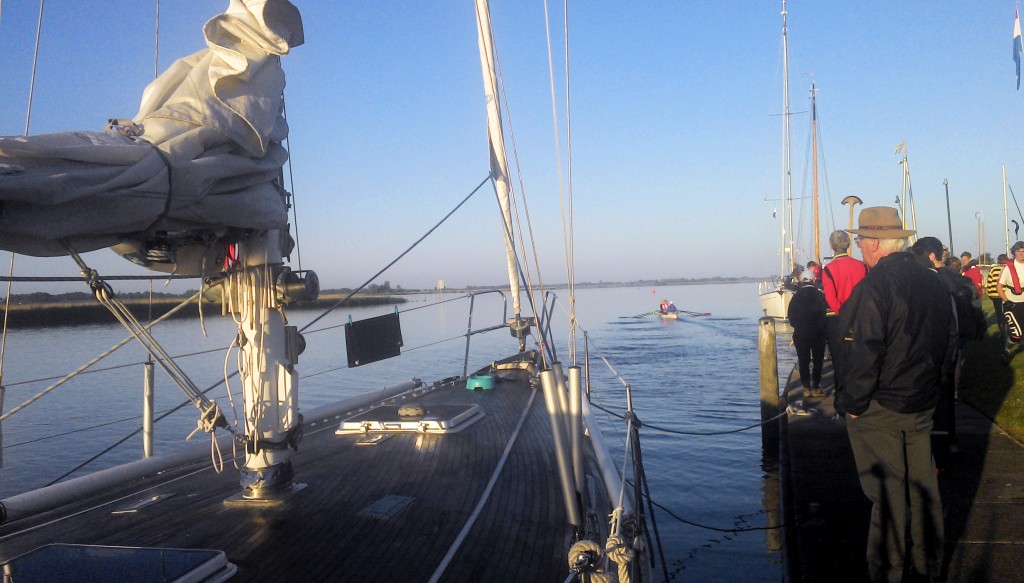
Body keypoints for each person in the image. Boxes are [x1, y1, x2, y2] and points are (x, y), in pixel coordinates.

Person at [837, 207, 955, 583]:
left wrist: (853, 405)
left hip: (881, 406)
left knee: (888, 493)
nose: (858, 246)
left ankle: (888, 571)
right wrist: (935, 386)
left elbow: (862, 352)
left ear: (872, 243)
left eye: (859, 240)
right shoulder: (934, 282)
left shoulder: (874, 287)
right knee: (923, 488)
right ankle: (929, 564)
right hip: (921, 401)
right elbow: (949, 341)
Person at [821, 230, 868, 397]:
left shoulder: (829, 269)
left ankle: (842, 400)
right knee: (859, 358)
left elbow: (830, 298)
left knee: (840, 362)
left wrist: (843, 314)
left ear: (832, 246)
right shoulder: (862, 266)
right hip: (859, 317)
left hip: (837, 319)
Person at [787, 275, 828, 397]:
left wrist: (798, 326)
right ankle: (816, 388)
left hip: (801, 334)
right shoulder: (820, 295)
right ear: (814, 280)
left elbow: (791, 317)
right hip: (818, 333)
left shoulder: (795, 297)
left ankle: (806, 389)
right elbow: (825, 314)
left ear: (802, 281)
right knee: (818, 361)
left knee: (803, 362)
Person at [997, 241, 1024, 364]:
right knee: (1017, 334)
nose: (1021, 254)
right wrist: (1006, 301)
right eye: (1018, 251)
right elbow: (999, 286)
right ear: (1014, 252)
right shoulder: (1009, 267)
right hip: (1011, 303)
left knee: (1020, 332)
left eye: (1023, 251)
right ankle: (1007, 350)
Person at [985, 253, 1009, 339]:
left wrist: (990, 294)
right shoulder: (1008, 269)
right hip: (1005, 295)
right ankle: (1007, 329)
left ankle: (1002, 331)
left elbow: (989, 283)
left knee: (998, 313)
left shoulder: (993, 270)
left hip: (995, 295)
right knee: (1006, 312)